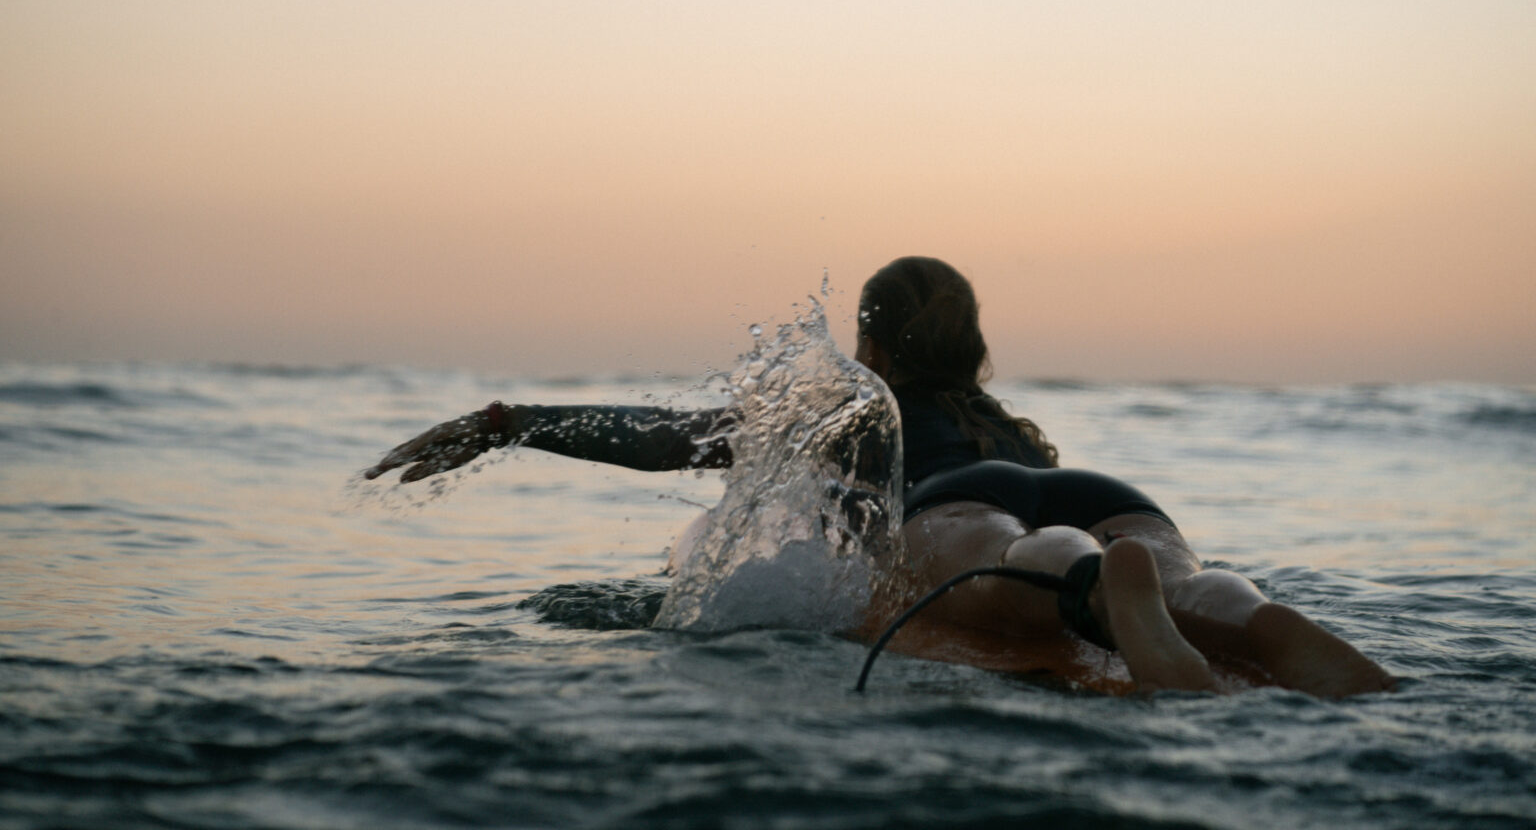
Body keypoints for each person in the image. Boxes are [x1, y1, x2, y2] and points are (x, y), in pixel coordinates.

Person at [364, 257, 1394, 697]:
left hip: (964, 509)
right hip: (1106, 491)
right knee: (1186, 580)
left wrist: (509, 424)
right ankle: (1257, 622)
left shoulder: (860, 416)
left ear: (873, 347)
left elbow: (670, 438)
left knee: (1015, 561)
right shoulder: (1012, 424)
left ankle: (1087, 584)